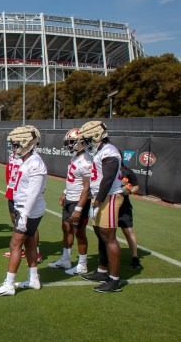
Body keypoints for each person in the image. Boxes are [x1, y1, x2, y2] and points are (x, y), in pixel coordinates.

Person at [0, 126, 46, 296]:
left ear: (28, 143)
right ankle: (34, 279)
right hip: (25, 209)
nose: (14, 148)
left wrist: (24, 215)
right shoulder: (28, 160)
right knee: (29, 243)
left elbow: (34, 193)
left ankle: (9, 285)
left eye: (17, 144)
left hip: (28, 210)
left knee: (15, 244)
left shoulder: (35, 163)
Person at [78, 120, 124, 293]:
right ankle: (102, 270)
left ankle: (114, 280)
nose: (87, 142)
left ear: (97, 135)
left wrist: (98, 201)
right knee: (100, 234)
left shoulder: (109, 152)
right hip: (100, 197)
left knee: (109, 236)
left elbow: (108, 179)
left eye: (89, 138)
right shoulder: (101, 151)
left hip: (109, 197)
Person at [48, 128, 92, 275]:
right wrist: (65, 193)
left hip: (79, 201)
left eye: (71, 142)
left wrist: (79, 208)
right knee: (66, 228)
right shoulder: (75, 157)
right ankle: (66, 259)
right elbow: (73, 180)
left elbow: (86, 188)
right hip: (70, 198)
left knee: (79, 232)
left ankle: (82, 264)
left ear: (80, 142)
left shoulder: (86, 161)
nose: (68, 145)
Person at [119, 162, 142, 268]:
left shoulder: (127, 172)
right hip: (108, 205)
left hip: (124, 206)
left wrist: (130, 191)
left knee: (128, 231)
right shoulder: (104, 169)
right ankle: (106, 257)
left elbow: (136, 186)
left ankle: (135, 257)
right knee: (107, 232)